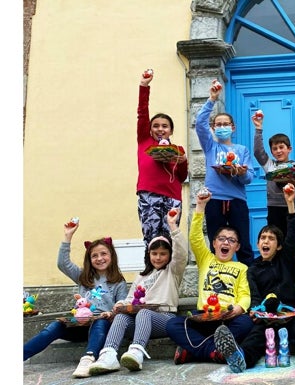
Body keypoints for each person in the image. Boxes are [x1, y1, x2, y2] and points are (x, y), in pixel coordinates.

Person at [214, 185, 295, 373]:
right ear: (257, 243)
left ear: (278, 246)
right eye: (263, 238)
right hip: (266, 317)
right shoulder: (252, 269)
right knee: (256, 335)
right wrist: (255, 311)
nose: (266, 241)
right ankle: (240, 358)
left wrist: (290, 205)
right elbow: (254, 296)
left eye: (271, 238)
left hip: (289, 314)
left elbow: (293, 237)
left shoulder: (286, 260)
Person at [23, 220, 128, 378]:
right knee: (53, 327)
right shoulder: (83, 276)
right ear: (89, 259)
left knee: (99, 323)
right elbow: (62, 263)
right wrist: (68, 236)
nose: (100, 258)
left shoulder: (118, 282)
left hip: (102, 325)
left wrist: (111, 313)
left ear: (111, 256)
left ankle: (88, 359)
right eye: (94, 256)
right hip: (79, 324)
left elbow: (122, 305)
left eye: (104, 254)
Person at [88, 209, 188, 376]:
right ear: (148, 255)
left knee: (144, 313)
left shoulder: (173, 271)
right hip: (141, 318)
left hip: (165, 317)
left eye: (163, 254)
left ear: (169, 256)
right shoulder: (141, 276)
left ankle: (136, 352)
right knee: (121, 317)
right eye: (154, 253)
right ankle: (109, 355)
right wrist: (119, 306)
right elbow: (129, 299)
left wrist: (173, 227)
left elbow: (182, 254)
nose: (158, 257)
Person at [165, 191, 254, 365]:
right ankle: (214, 351)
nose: (226, 243)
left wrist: (239, 307)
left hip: (227, 319)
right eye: (221, 239)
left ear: (237, 247)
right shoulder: (206, 259)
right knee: (172, 325)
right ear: (214, 243)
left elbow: (244, 294)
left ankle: (194, 351)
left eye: (231, 240)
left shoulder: (242, 268)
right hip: (203, 317)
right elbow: (196, 238)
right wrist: (200, 206)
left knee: (246, 323)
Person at [194, 79, 255, 266]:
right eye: (218, 124)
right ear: (213, 129)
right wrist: (212, 99)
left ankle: (249, 285)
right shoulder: (210, 146)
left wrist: (239, 172)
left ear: (233, 127)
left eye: (225, 124)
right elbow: (199, 123)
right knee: (216, 244)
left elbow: (249, 178)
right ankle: (217, 284)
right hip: (214, 200)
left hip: (237, 200)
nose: (221, 127)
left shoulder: (242, 150)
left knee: (243, 244)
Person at [136, 69, 188, 248]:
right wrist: (144, 86)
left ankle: (170, 276)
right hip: (148, 195)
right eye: (156, 126)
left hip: (172, 197)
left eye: (165, 126)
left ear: (171, 130)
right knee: (151, 240)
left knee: (169, 241)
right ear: (150, 130)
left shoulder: (178, 150)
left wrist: (183, 162)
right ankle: (150, 274)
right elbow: (142, 114)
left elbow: (181, 177)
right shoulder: (145, 141)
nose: (160, 129)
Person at [252, 112, 295, 241]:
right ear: (271, 151)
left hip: (293, 208)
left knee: (292, 242)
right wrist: (258, 129)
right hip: (274, 208)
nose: (278, 151)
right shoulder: (270, 164)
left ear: (289, 149)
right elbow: (257, 152)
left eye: (281, 147)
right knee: (274, 242)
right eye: (275, 148)